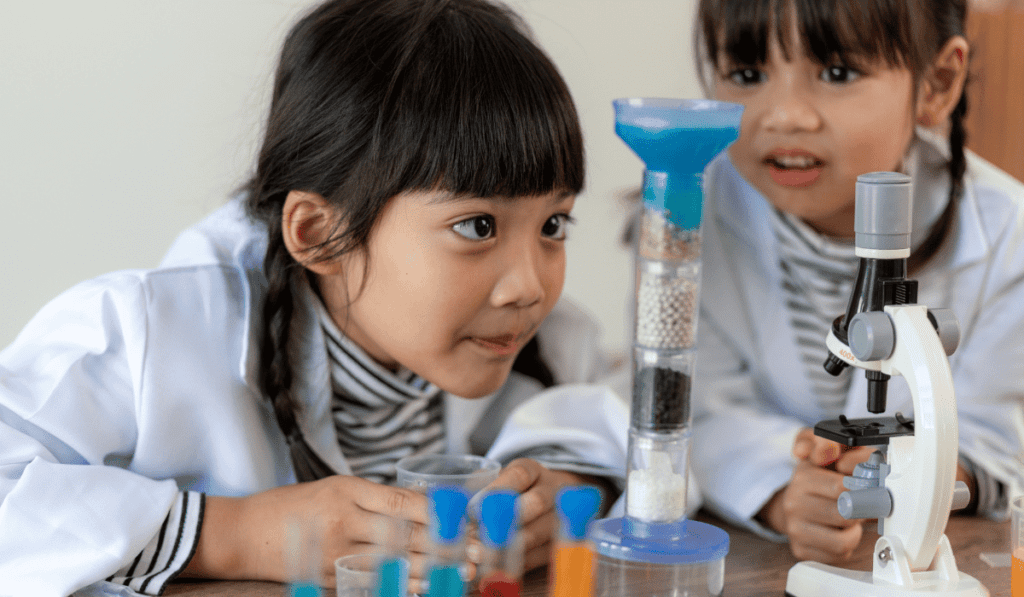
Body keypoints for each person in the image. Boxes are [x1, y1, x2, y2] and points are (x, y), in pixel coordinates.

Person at [0, 1, 620, 595]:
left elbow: (631, 420)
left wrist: (568, 488)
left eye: (553, 226)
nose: (531, 285)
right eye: (477, 226)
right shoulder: (144, 331)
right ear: (319, 235)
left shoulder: (545, 334)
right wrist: (235, 536)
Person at [688, 0, 1024, 563]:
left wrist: (915, 471)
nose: (784, 116)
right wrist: (781, 487)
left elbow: (1000, 437)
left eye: (837, 73)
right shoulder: (690, 214)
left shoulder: (1009, 237)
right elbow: (695, 410)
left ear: (937, 83)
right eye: (748, 75)